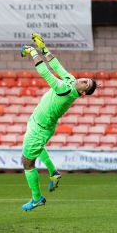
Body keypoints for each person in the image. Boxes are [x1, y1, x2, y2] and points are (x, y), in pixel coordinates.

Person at [19, 33, 97, 211]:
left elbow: (45, 72)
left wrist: (32, 52)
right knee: (37, 150)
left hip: (40, 128)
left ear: (83, 92)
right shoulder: (70, 80)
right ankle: (53, 172)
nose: (83, 80)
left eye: (86, 84)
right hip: (38, 121)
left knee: (26, 162)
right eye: (86, 79)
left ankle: (37, 198)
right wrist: (43, 47)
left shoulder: (65, 90)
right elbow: (55, 65)